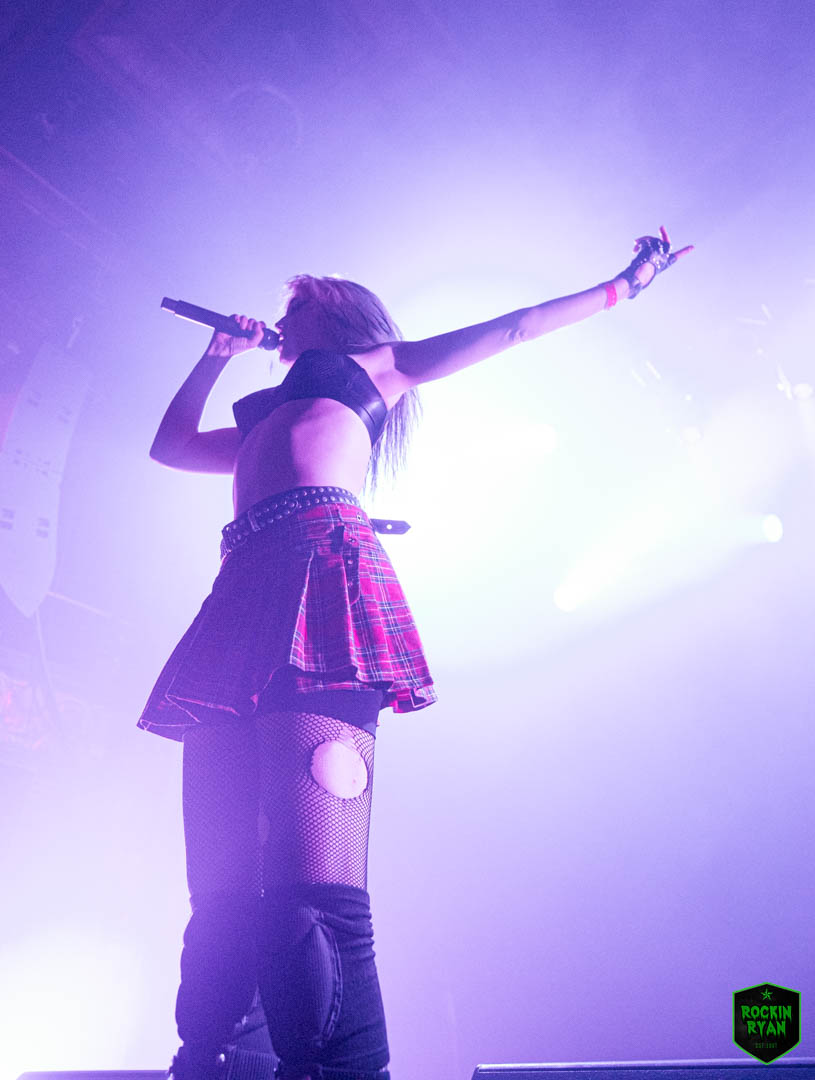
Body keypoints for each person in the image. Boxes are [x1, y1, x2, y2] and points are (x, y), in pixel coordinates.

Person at [139, 228, 692, 1080]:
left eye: (296, 307)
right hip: (240, 595)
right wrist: (214, 358)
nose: (281, 321)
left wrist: (623, 285)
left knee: (308, 902)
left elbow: (513, 326)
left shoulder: (376, 367)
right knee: (220, 900)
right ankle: (212, 1062)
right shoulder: (262, 416)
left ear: (335, 315)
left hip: (320, 573)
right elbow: (172, 446)